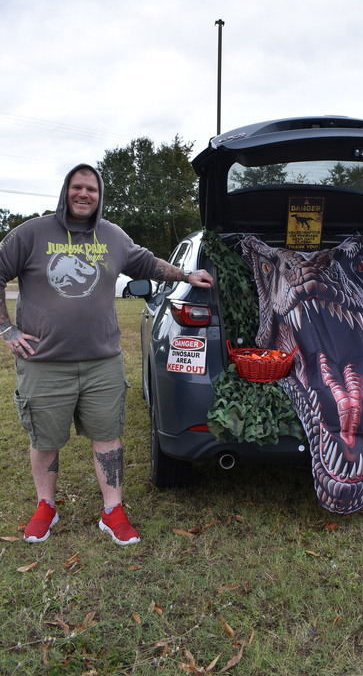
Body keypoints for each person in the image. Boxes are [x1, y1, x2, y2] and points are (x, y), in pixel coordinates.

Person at [0, 164, 213, 545]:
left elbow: (147, 264)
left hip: (102, 362)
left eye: (92, 190)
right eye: (77, 187)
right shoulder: (31, 233)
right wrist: (6, 328)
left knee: (109, 437)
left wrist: (185, 276)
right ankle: (45, 505)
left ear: (99, 196)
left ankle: (112, 510)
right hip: (44, 363)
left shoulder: (112, 235)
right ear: (66, 190)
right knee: (45, 438)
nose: (84, 194)